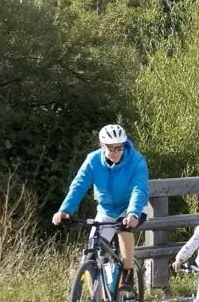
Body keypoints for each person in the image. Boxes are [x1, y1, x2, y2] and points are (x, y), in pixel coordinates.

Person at [52, 124, 150, 290]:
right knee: (91, 256)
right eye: (111, 148)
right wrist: (64, 210)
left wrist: (133, 213)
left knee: (124, 228)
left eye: (119, 147)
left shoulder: (136, 161)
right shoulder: (93, 160)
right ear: (102, 146)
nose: (116, 152)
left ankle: (127, 273)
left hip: (132, 207)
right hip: (106, 209)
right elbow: (79, 185)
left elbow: (139, 189)